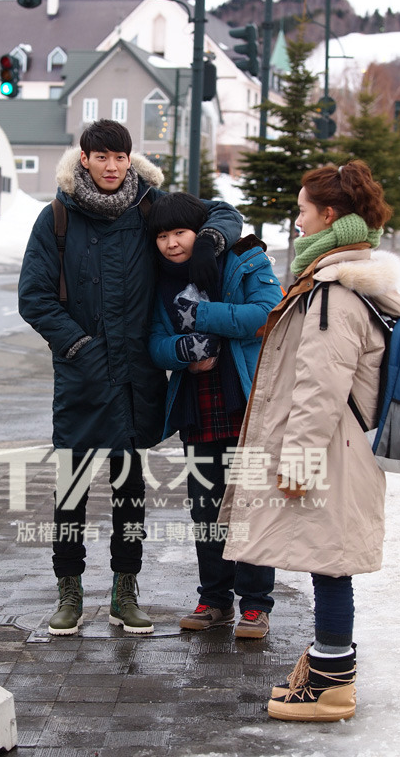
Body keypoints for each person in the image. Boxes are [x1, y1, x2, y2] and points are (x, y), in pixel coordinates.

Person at [18, 120, 243, 636]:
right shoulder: (56, 218)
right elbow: (34, 297)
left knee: (129, 489)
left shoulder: (149, 207)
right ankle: (69, 592)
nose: (113, 167)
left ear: (129, 158)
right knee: (70, 489)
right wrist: (78, 346)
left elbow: (224, 214)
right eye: (102, 158)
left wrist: (209, 238)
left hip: (138, 376)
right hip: (80, 375)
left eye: (120, 157)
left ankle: (125, 590)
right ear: (85, 158)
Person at [219, 160, 400, 720]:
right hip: (345, 448)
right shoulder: (353, 287)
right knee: (327, 556)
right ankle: (331, 668)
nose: (297, 219)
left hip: (329, 450)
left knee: (329, 559)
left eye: (303, 209)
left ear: (329, 216)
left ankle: (331, 679)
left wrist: (298, 459)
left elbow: (318, 387)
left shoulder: (333, 296)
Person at [147, 192, 283, 637]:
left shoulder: (245, 259)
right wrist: (182, 351)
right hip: (198, 408)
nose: (170, 243)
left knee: (250, 505)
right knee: (206, 510)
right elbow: (154, 341)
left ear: (201, 232)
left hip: (246, 403)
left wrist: (202, 315)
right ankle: (214, 598)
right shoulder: (160, 279)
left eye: (178, 232)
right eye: (162, 235)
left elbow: (267, 314)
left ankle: (256, 604)